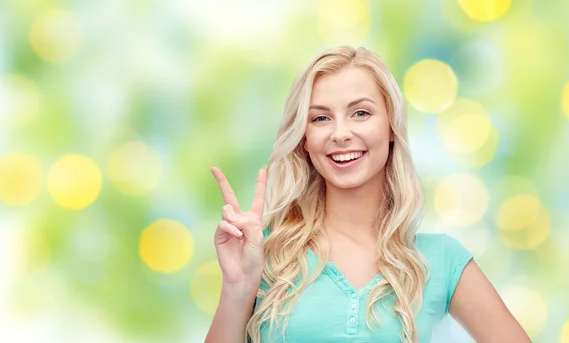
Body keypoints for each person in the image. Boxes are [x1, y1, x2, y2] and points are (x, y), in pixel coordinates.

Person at [205, 46, 531, 343]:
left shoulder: (440, 261)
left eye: (360, 113)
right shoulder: (265, 254)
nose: (341, 134)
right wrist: (238, 287)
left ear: (391, 125)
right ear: (304, 138)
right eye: (320, 118)